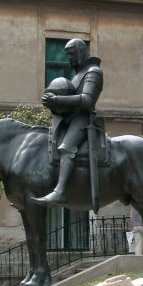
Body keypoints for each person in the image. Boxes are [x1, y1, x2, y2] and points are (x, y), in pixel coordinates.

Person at [33, 39, 102, 205]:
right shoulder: (77, 74)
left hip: (83, 120)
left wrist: (57, 99)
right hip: (67, 119)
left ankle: (60, 191)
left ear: (80, 51)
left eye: (71, 53)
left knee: (66, 149)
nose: (69, 58)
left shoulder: (93, 71)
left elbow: (87, 100)